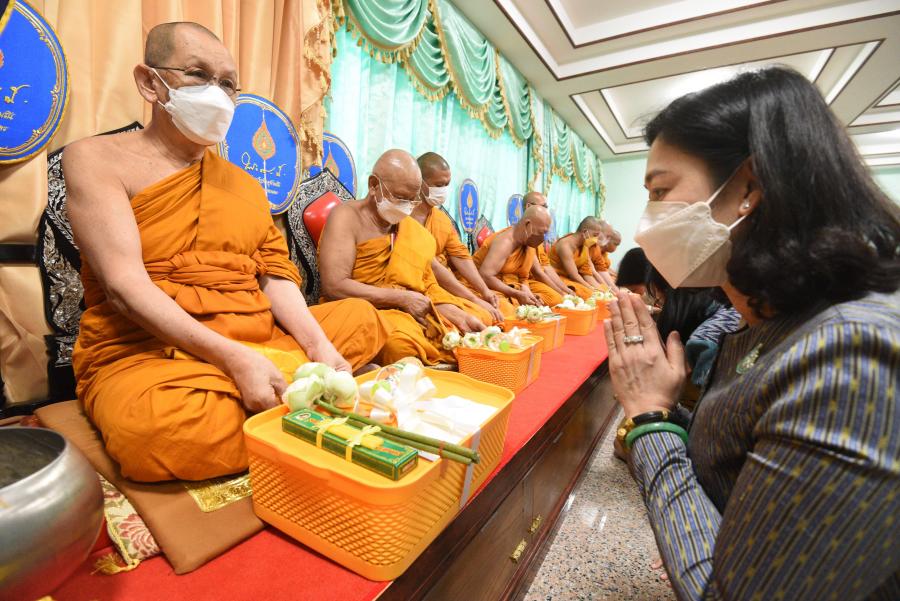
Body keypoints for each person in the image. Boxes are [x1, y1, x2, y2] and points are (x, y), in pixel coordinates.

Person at [606, 66, 899, 600]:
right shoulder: (763, 319)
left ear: (749, 186)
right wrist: (671, 406)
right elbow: (745, 450)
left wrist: (649, 418)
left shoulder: (853, 351)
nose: (645, 226)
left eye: (661, 191)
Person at [64, 22, 390, 482]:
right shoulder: (96, 159)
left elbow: (274, 276)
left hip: (258, 335)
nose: (216, 94)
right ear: (149, 82)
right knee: (155, 431)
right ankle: (304, 396)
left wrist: (320, 348)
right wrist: (234, 359)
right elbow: (124, 286)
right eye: (198, 75)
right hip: (151, 350)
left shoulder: (245, 186)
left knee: (362, 318)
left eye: (228, 84)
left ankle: (286, 391)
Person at [318, 149, 486, 366]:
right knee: (400, 347)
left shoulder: (408, 228)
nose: (406, 207)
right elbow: (334, 286)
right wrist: (401, 299)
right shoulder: (346, 218)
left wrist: (447, 310)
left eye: (412, 200)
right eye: (400, 197)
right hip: (366, 310)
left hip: (409, 309)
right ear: (373, 185)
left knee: (473, 322)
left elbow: (425, 284)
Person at [411, 152, 503, 324]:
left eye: (446, 185)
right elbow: (432, 265)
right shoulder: (403, 217)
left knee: (492, 312)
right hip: (416, 285)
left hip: (443, 284)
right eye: (438, 185)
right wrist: (473, 298)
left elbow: (461, 256)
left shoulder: (441, 219)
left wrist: (484, 291)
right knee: (477, 317)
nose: (443, 190)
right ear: (419, 182)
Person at [473, 205, 559, 311]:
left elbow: (523, 277)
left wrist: (527, 292)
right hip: (486, 287)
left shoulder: (529, 244)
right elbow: (485, 276)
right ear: (528, 225)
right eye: (541, 233)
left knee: (555, 299)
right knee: (509, 311)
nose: (543, 238)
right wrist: (517, 294)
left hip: (513, 286)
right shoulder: (505, 242)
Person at [521, 192, 574, 302]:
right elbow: (538, 272)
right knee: (557, 299)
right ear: (529, 207)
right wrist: (561, 293)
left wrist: (565, 290)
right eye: (544, 206)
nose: (546, 211)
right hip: (523, 281)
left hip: (535, 281)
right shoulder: (521, 234)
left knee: (567, 295)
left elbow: (546, 266)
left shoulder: (536, 235)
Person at [548, 216, 606, 298]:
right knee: (588, 294)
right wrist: (591, 288)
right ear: (585, 232)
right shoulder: (565, 245)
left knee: (601, 291)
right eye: (595, 235)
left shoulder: (584, 246)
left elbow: (587, 273)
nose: (596, 239)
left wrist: (600, 290)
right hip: (557, 278)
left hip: (571, 280)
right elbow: (574, 275)